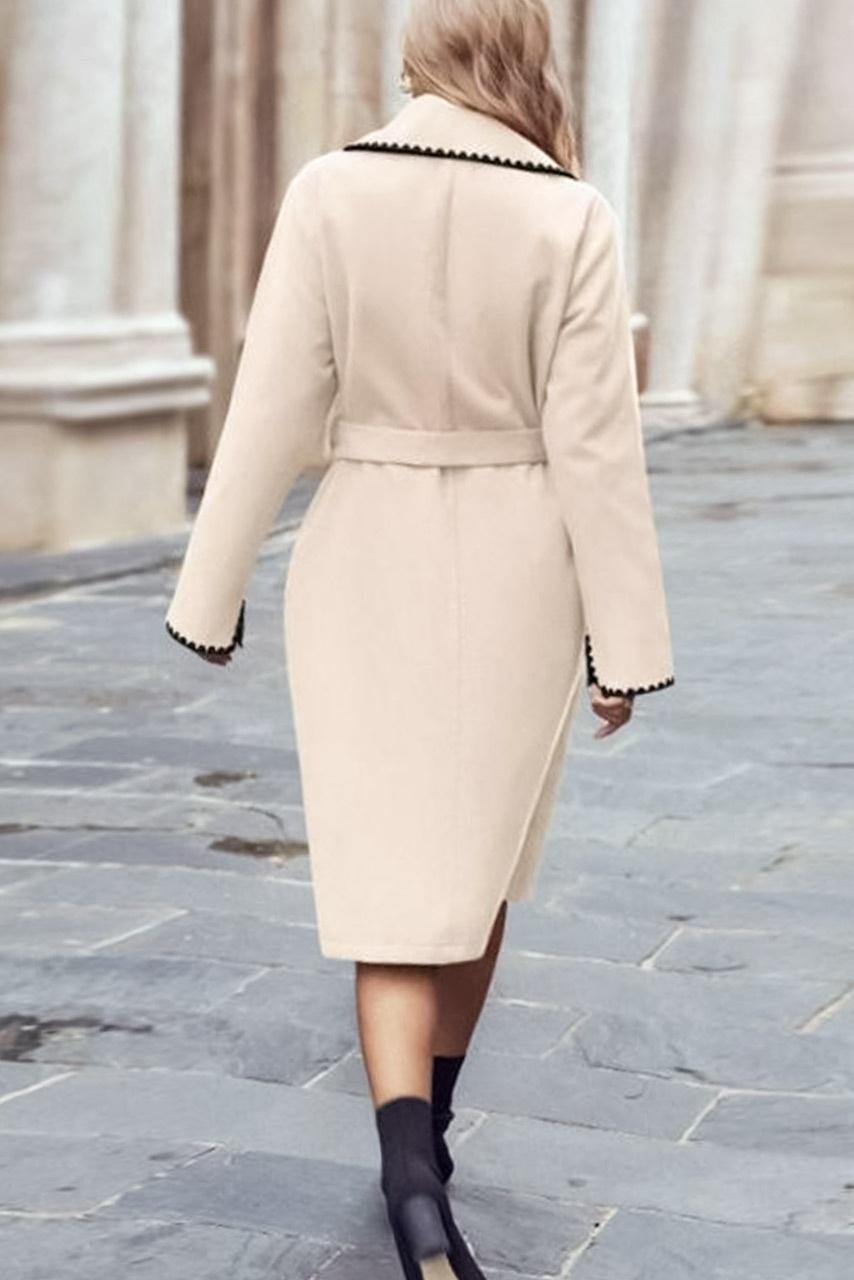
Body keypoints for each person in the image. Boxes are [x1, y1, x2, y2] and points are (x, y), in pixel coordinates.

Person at [164, 0, 674, 1274]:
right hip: (520, 566)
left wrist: (209, 592)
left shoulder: (329, 190)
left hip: (363, 554)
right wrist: (623, 644)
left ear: (418, 55)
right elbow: (597, 450)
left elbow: (272, 400)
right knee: (474, 868)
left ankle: (408, 1176)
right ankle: (427, 1147)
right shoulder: (570, 212)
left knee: (387, 876)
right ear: (526, 54)